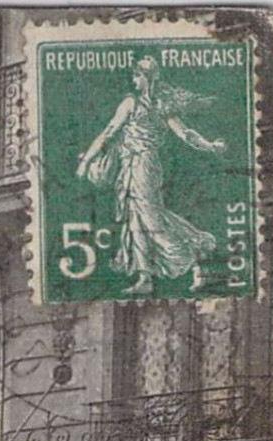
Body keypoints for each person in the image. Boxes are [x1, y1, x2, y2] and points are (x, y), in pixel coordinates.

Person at [76, 55, 227, 295]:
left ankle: (195, 249)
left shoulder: (140, 104)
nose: (133, 79)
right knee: (136, 218)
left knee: (149, 217)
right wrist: (209, 145)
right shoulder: (151, 105)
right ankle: (145, 277)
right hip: (132, 165)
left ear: (147, 78)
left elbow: (184, 133)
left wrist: (210, 146)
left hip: (144, 165)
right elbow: (109, 133)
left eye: (137, 75)